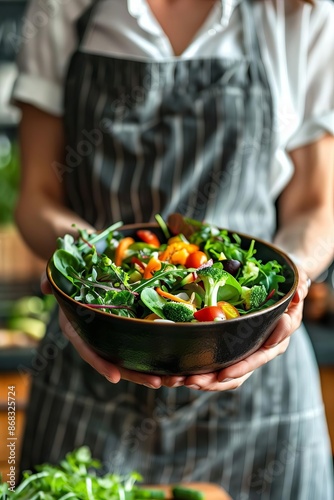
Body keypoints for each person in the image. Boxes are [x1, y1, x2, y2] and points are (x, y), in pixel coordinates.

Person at [11, 0, 334, 498]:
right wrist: (80, 271)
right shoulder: (62, 9)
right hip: (93, 353)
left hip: (258, 376)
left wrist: (286, 289)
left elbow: (316, 207)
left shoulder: (299, 10)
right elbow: (35, 197)